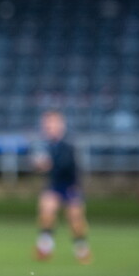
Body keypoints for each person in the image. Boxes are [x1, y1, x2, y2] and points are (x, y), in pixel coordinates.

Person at [32, 110, 92, 264]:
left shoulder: (68, 143)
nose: (48, 127)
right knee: (46, 212)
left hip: (70, 185)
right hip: (55, 185)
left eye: (51, 123)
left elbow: (68, 165)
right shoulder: (45, 144)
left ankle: (81, 248)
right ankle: (45, 247)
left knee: (75, 220)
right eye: (46, 124)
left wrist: (49, 164)